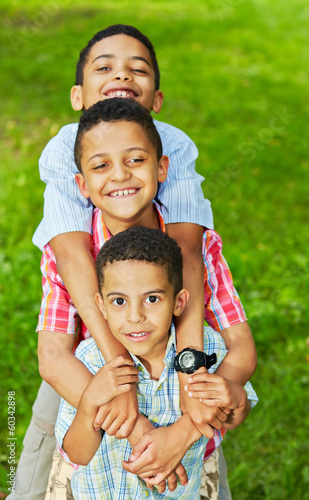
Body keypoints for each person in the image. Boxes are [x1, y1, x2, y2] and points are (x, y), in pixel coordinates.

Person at [10, 24, 256, 499]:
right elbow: (56, 341)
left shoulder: (177, 152)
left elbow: (189, 256)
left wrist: (187, 409)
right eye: (104, 67)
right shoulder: (64, 160)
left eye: (136, 68)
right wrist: (131, 412)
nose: (120, 75)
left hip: (178, 394)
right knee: (38, 477)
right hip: (86, 386)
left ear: (159, 165)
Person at [55, 225, 258, 499]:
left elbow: (232, 418)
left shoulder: (206, 350)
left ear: (178, 302)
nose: (135, 316)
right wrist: (90, 402)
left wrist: (236, 395)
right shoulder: (90, 360)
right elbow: (77, 454)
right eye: (119, 301)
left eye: (151, 299)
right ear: (101, 306)